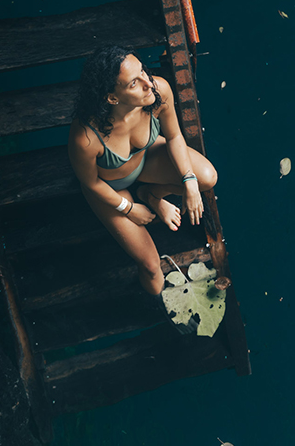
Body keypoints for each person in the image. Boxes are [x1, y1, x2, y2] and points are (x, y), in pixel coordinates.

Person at [68, 45, 217, 305]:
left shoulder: (158, 92)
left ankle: (152, 193)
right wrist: (128, 209)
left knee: (206, 177)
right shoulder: (86, 136)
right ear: (112, 98)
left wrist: (189, 181)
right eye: (134, 83)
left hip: (147, 160)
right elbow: (90, 182)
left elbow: (173, 136)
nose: (148, 84)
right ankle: (158, 303)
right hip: (110, 187)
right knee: (151, 268)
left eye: (143, 72)